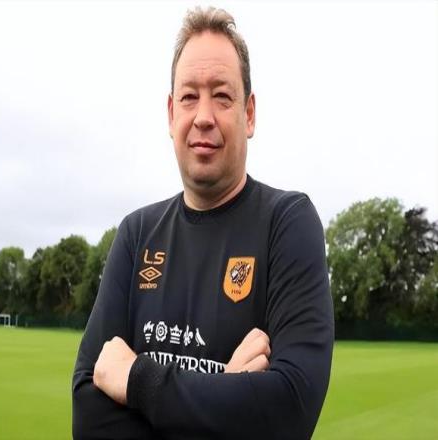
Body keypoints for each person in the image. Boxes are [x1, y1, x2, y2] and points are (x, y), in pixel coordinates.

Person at [72, 6, 334, 439]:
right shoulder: (136, 234)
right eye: (190, 96)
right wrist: (229, 391)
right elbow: (89, 418)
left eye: (222, 96)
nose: (204, 116)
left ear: (249, 114)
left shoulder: (287, 223)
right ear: (171, 113)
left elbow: (290, 408)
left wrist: (139, 380)